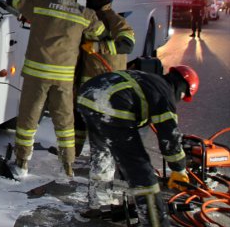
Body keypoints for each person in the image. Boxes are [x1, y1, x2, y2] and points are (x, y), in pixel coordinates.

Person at [5, 0, 107, 178]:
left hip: (36, 76)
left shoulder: (38, 4)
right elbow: (100, 32)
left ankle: (22, 164)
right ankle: (67, 166)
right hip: (64, 80)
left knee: (28, 120)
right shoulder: (84, 14)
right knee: (65, 122)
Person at [77, 64, 200, 226]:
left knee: (103, 154)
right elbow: (169, 136)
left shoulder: (150, 79)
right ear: (183, 88)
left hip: (87, 97)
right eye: (183, 97)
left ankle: (99, 204)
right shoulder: (165, 93)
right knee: (140, 170)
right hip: (112, 106)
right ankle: (155, 223)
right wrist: (178, 168)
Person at [74, 0, 135, 158]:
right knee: (79, 119)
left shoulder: (114, 20)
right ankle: (74, 155)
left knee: (99, 123)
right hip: (86, 79)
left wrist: (98, 47)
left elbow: (127, 44)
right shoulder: (87, 15)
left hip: (106, 82)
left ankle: (102, 161)